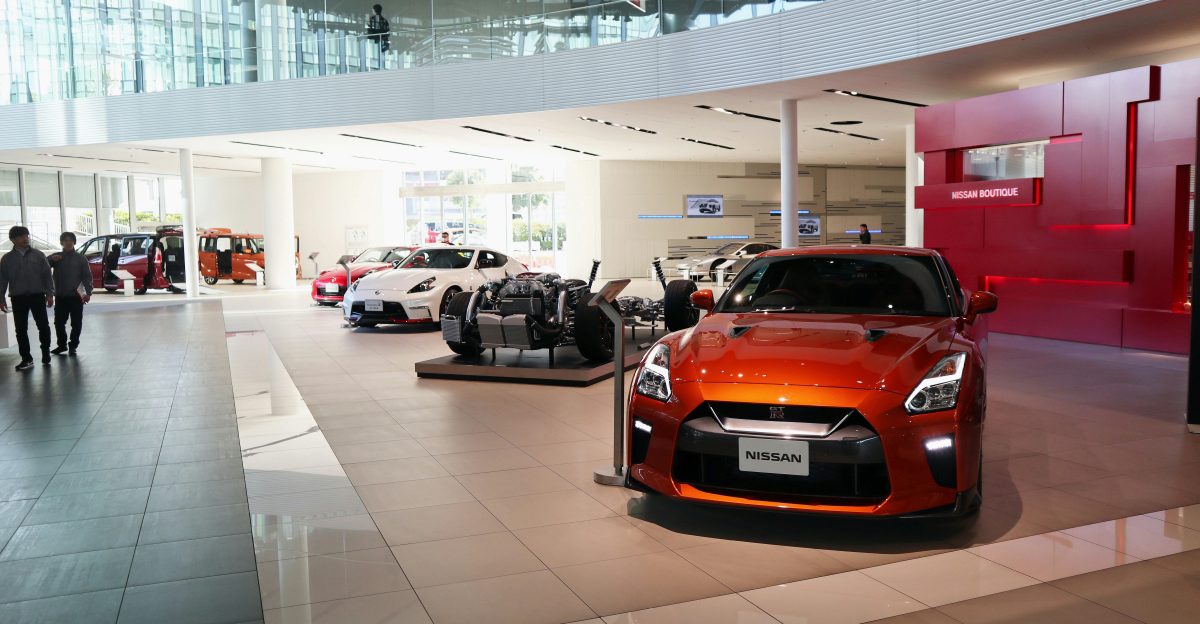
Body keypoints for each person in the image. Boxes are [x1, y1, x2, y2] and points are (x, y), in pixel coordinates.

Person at [0, 226, 54, 371]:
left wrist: (50, 294)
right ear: (13, 240)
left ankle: (45, 351)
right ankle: (26, 358)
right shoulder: (7, 259)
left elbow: (47, 276)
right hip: (18, 298)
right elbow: (2, 280)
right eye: (21, 237)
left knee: (43, 326)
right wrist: (1, 298)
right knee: (21, 329)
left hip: (37, 296)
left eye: (27, 236)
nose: (25, 239)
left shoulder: (38, 255)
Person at [47, 232, 93, 356]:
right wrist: (51, 259)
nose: (68, 242)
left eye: (70, 240)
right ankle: (62, 345)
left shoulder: (80, 258)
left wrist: (88, 292)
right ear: (61, 242)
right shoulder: (56, 257)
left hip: (76, 297)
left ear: (74, 242)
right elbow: (43, 267)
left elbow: (87, 276)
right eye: (65, 240)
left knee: (76, 322)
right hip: (61, 296)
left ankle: (73, 345)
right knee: (59, 322)